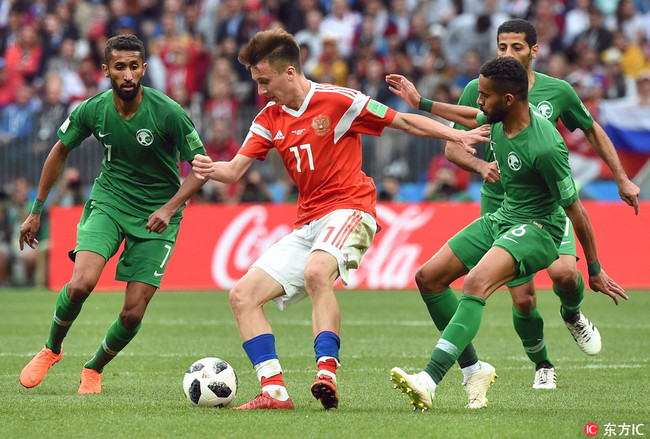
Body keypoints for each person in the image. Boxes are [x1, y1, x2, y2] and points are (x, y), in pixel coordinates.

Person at [191, 28, 490, 411]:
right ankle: (275, 392)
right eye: (256, 82)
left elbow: (404, 122)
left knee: (318, 273)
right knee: (242, 296)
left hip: (351, 209)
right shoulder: (269, 117)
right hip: (308, 222)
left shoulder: (338, 101)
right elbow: (233, 172)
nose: (261, 90)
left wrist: (456, 135)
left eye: (264, 81)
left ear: (289, 73)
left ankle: (326, 374)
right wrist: (207, 167)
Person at [386, 18, 640, 391]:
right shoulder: (497, 111)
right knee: (432, 278)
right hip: (501, 213)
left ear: (533, 51)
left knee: (555, 276)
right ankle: (481, 368)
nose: (478, 102)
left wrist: (597, 269)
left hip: (539, 223)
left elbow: (577, 210)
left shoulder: (546, 140)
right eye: (502, 46)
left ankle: (430, 378)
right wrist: (420, 102)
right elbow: (465, 122)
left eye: (516, 46)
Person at [18, 34, 207, 394]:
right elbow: (60, 150)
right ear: (106, 70)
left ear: (144, 69)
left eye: (134, 66)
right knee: (80, 284)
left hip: (157, 216)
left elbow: (201, 167)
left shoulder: (168, 112)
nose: (128, 74)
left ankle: (93, 368)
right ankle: (51, 349)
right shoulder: (93, 109)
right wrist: (36, 210)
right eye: (119, 66)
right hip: (110, 202)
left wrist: (169, 208)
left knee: (132, 312)